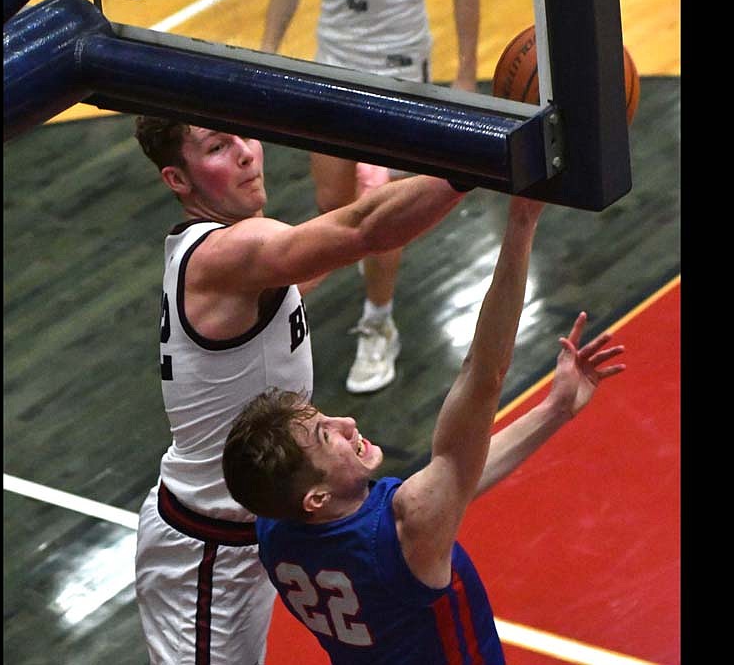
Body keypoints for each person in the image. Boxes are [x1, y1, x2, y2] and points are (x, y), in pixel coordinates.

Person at [131, 115, 479, 665]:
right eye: (218, 147)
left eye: (243, 132)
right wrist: (476, 163)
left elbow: (305, 266)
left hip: (265, 523)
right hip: (207, 546)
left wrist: (358, 210)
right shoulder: (227, 252)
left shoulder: (236, 256)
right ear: (178, 179)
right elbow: (362, 231)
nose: (246, 152)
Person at [222, 196, 627, 663]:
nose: (347, 422)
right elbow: (484, 375)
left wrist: (555, 409)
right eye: (326, 436)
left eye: (325, 417)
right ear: (316, 497)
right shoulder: (405, 527)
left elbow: (456, 480)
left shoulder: (274, 523)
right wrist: (520, 222)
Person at [260, 0, 480, 393]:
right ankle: (355, 272)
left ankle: (379, 321)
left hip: (398, 69)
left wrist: (467, 72)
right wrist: (267, 51)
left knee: (384, 214)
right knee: (333, 205)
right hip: (333, 62)